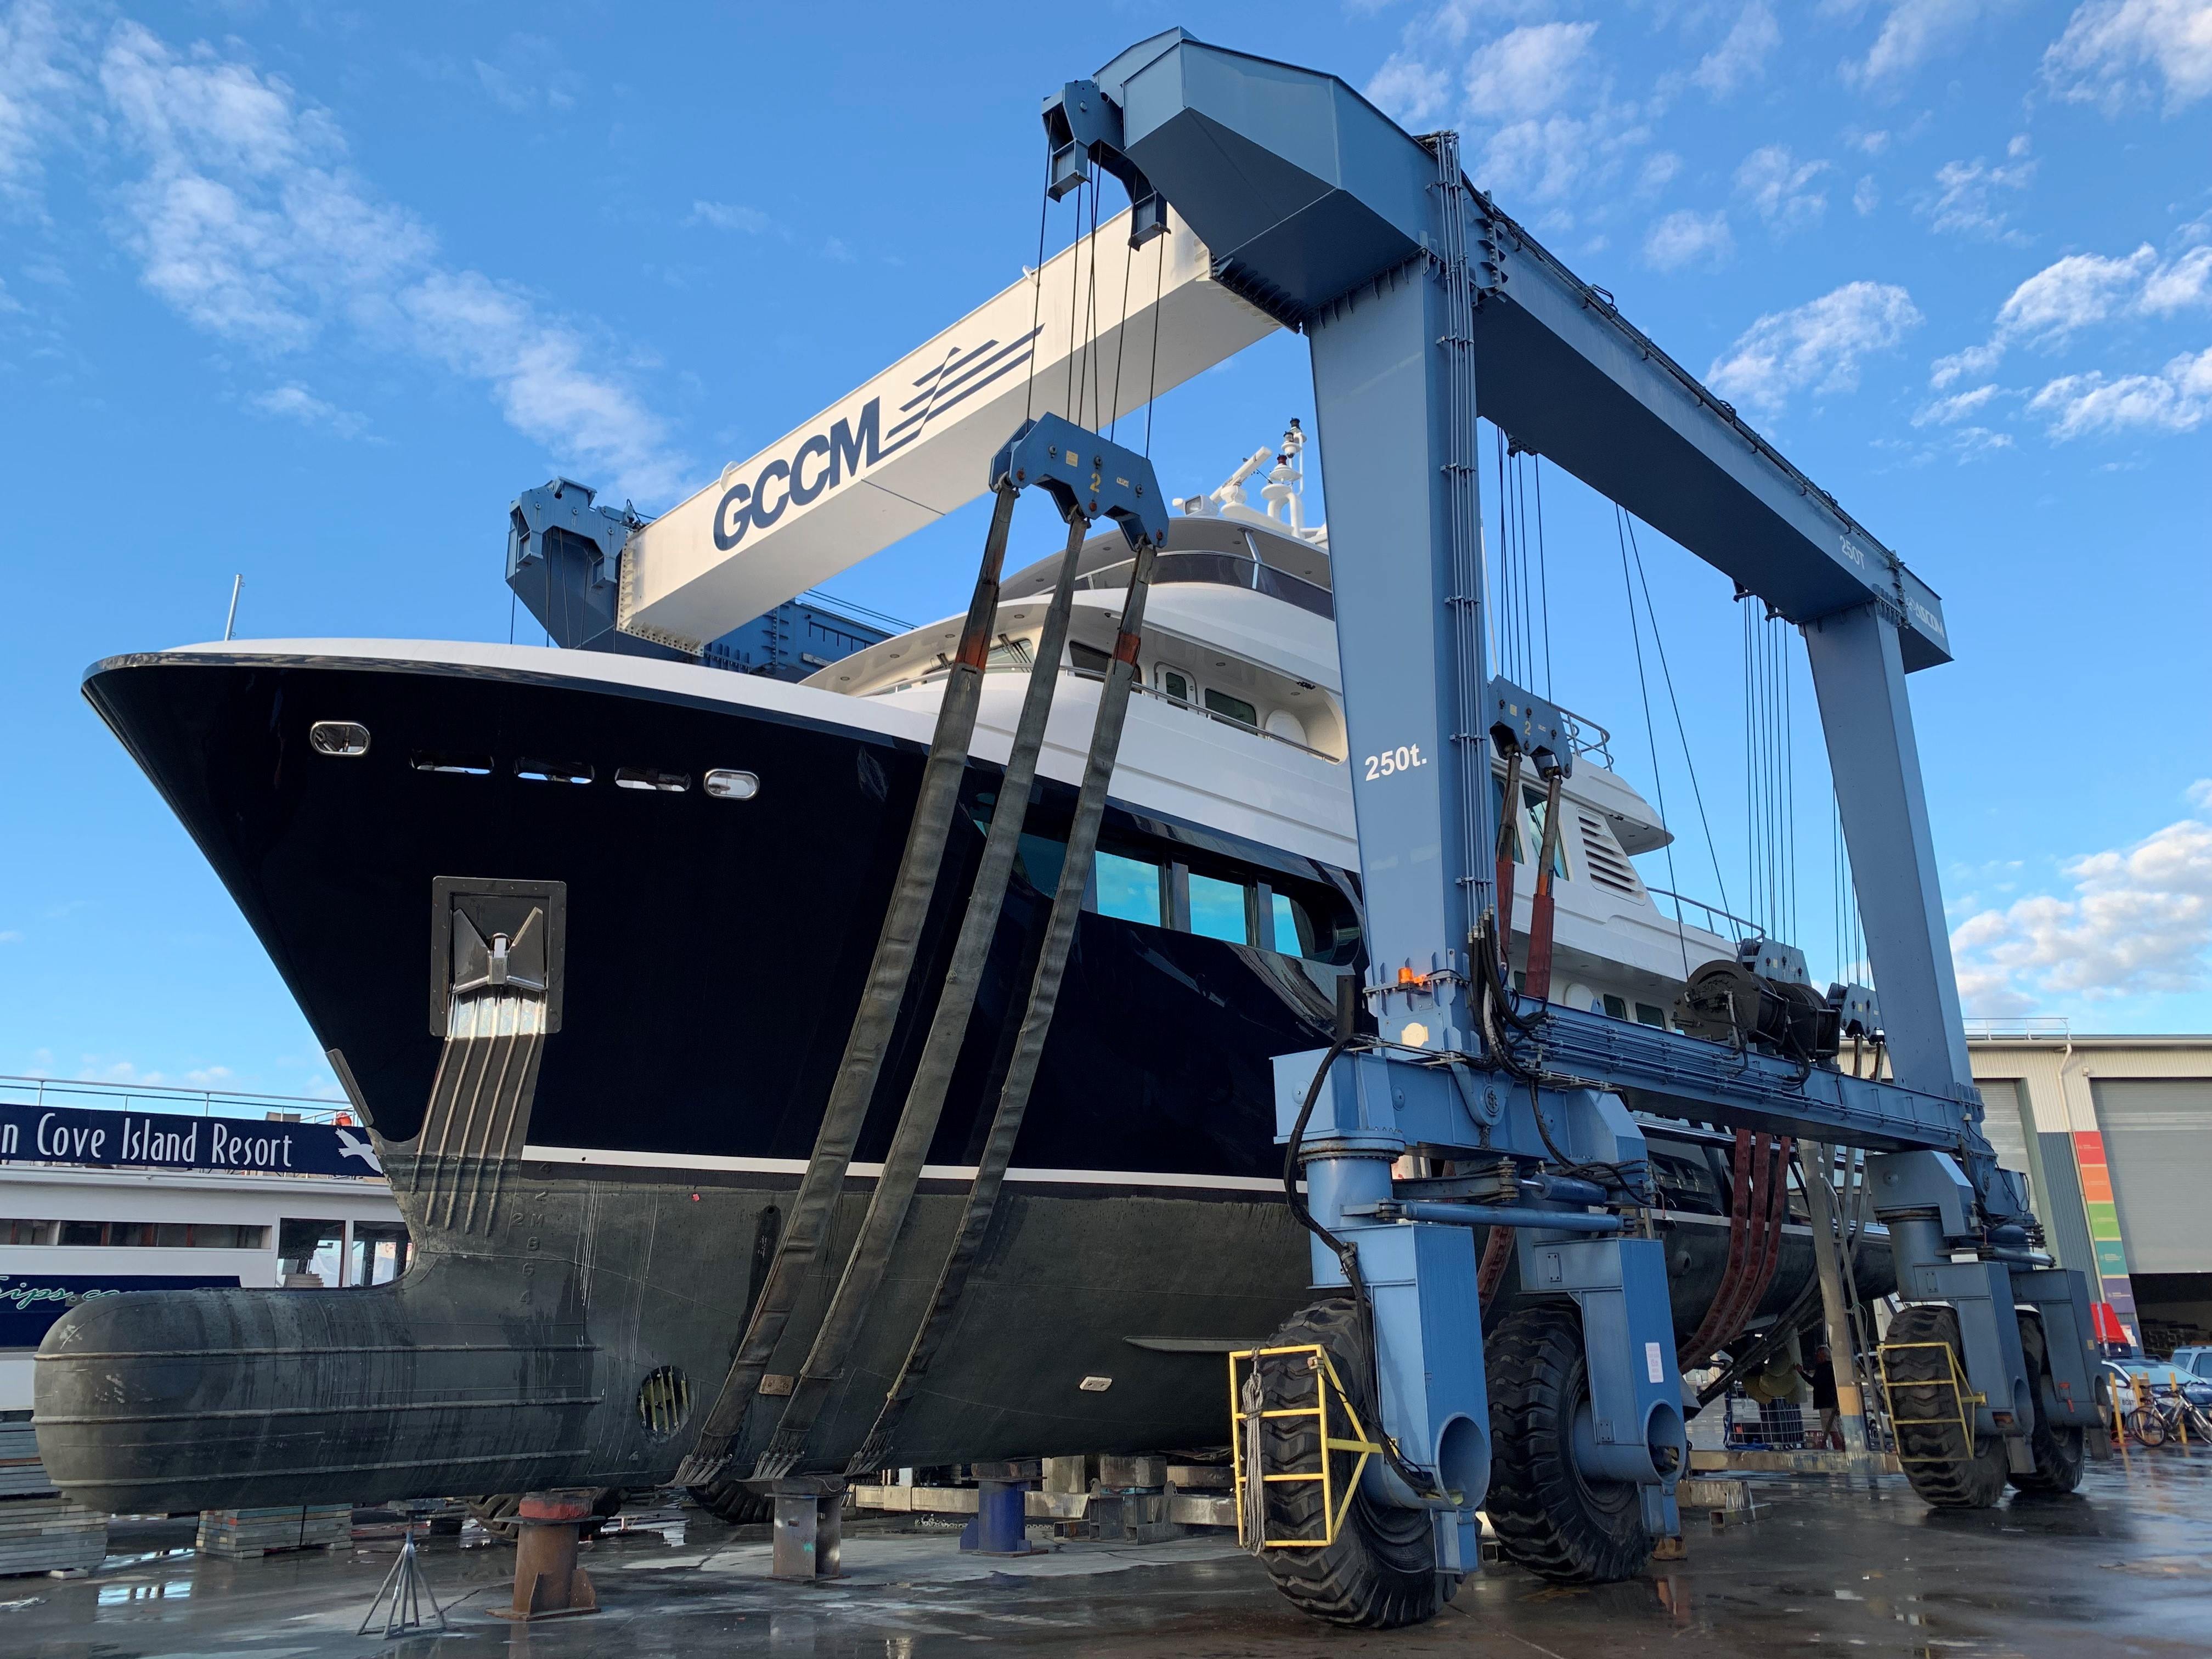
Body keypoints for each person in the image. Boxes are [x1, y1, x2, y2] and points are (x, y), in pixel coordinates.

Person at [1797, 1343, 1842, 1449]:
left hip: (1826, 1403)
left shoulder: (1824, 1369)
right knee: (1836, 1428)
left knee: (1832, 1430)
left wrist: (1801, 1373)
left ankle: (1839, 1449)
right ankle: (1839, 1447)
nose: (1816, 1357)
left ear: (1823, 1356)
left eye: (1818, 1355)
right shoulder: (1831, 1368)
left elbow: (1815, 1382)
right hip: (1832, 1402)